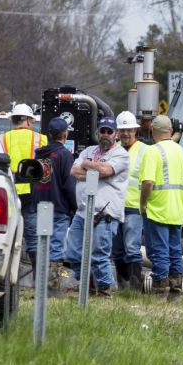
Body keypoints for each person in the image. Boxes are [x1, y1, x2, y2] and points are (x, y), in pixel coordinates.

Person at [63, 118, 129, 297]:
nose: (105, 134)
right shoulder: (88, 150)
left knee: (99, 254)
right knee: (72, 252)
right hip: (83, 211)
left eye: (109, 131)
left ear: (115, 134)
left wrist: (86, 165)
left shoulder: (121, 154)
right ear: (97, 133)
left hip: (105, 213)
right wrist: (95, 170)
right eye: (102, 131)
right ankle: (88, 283)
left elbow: (106, 171)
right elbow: (73, 171)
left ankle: (105, 291)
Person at [139, 115, 183, 299]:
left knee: (159, 250)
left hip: (157, 208)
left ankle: (160, 289)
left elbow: (147, 182)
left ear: (153, 131)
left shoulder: (152, 151)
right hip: (177, 210)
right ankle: (176, 288)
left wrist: (143, 203)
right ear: (170, 131)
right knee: (175, 250)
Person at [29, 117, 76, 277]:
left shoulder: (39, 155)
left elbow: (34, 181)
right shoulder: (65, 155)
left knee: (43, 245)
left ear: (48, 134)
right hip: (58, 207)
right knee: (56, 247)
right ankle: (51, 286)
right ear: (65, 135)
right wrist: (74, 206)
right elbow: (69, 185)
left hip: (40, 206)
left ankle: (40, 283)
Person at [2, 102, 45, 259]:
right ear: (27, 120)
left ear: (13, 120)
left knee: (8, 236)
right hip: (32, 192)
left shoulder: (2, 138)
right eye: (32, 121)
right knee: (33, 237)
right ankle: (36, 277)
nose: (32, 124)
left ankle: (11, 274)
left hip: (9, 192)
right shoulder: (41, 139)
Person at [112, 111, 148, 290]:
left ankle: (135, 287)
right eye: (122, 130)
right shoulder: (112, 149)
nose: (126, 133)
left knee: (132, 248)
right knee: (117, 250)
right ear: (117, 131)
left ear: (135, 130)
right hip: (115, 206)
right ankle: (123, 286)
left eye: (129, 130)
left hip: (134, 207)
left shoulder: (145, 150)